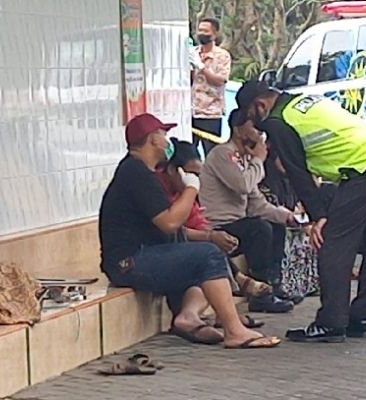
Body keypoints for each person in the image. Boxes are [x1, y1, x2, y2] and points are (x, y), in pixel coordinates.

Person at [236, 79, 366, 343]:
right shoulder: (301, 102)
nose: (254, 125)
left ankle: (331, 322)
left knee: (333, 242)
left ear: (259, 104)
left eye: (250, 117)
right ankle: (361, 316)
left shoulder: (278, 120)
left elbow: (297, 172)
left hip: (364, 167)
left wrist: (318, 218)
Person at [98, 113, 280, 349]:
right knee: (208, 255)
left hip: (139, 256)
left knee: (202, 261)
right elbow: (170, 223)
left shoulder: (140, 172)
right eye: (164, 135)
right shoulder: (136, 173)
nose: (167, 141)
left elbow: (172, 226)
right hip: (129, 261)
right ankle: (234, 330)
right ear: (153, 139)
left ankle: (188, 317)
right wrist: (192, 188)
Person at [199, 109, 297, 313]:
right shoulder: (223, 154)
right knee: (259, 228)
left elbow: (257, 203)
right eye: (253, 127)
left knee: (274, 225)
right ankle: (260, 293)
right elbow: (242, 185)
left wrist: (286, 216)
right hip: (219, 227)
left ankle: (274, 283)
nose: (258, 133)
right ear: (237, 129)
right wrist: (259, 159)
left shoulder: (245, 160)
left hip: (239, 224)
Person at [155, 138, 272, 299]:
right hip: (161, 246)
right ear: (172, 170)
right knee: (208, 250)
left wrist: (213, 235)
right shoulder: (159, 190)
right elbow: (172, 226)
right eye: (191, 174)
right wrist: (209, 236)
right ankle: (240, 282)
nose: (195, 180)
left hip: (195, 235)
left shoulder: (183, 191)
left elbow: (195, 221)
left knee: (263, 227)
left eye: (197, 175)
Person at [259, 152, 319, 299]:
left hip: (295, 222)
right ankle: (282, 285)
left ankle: (306, 284)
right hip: (275, 220)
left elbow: (304, 207)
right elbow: (269, 207)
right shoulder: (266, 178)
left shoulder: (292, 179)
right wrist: (298, 219)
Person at [189, 17, 231, 155]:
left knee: (212, 155)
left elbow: (220, 80)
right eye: (200, 30)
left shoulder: (222, 56)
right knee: (189, 155)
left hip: (210, 114)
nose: (201, 33)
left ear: (214, 34)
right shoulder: (193, 53)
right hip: (191, 113)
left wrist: (201, 67)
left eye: (205, 31)